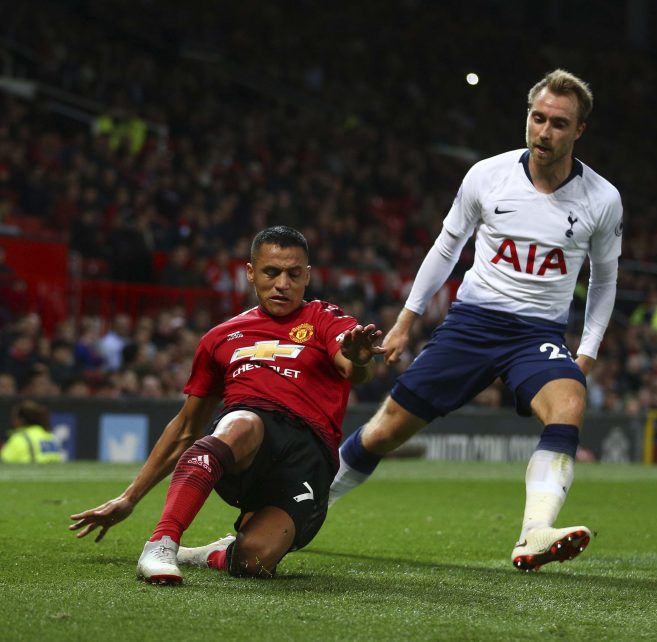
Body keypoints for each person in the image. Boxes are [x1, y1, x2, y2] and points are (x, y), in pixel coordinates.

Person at [329, 69, 624, 572]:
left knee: (569, 402)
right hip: (473, 324)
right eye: (538, 118)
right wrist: (406, 321)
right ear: (527, 118)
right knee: (383, 432)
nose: (544, 132)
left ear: (579, 131)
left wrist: (588, 352)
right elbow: (447, 248)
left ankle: (534, 533)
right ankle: (301, 504)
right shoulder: (487, 176)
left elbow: (604, 281)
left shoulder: (602, 199)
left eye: (558, 123)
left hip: (537, 335)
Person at [69, 226, 384, 584]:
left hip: (308, 457)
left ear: (307, 276)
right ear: (250, 272)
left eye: (294, 274)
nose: (283, 283)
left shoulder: (326, 319)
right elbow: (187, 426)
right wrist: (130, 498)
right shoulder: (219, 338)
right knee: (243, 422)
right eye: (271, 272)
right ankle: (162, 543)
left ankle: (217, 552)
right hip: (247, 437)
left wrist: (358, 360)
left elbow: (353, 368)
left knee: (254, 563)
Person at [1, 399, 64, 464]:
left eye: (15, 418)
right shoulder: (51, 437)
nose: (13, 421)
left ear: (21, 420)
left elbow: (3, 463)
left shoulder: (20, 439)